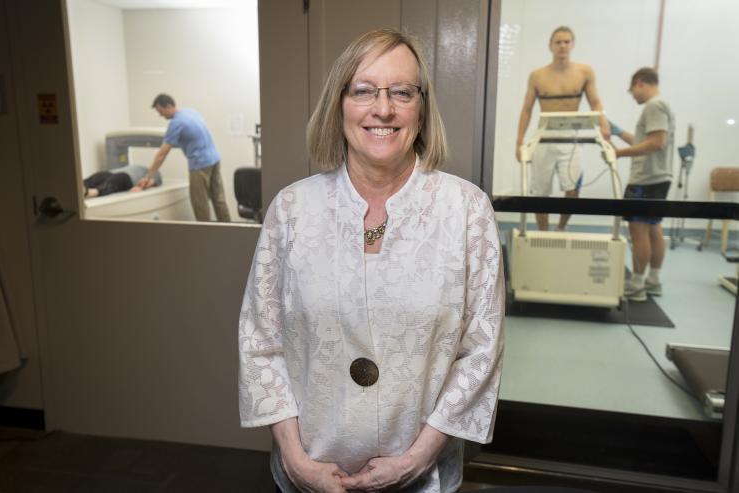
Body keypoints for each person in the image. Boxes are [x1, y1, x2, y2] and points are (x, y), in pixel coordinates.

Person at [238, 29, 505, 493]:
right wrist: (296, 461)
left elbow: (481, 351)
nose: (383, 109)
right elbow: (261, 344)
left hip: (422, 476)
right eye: (363, 90)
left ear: (421, 109)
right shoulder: (291, 210)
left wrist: (417, 459)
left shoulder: (466, 210)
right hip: (309, 471)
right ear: (338, 104)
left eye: (402, 92)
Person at [516, 26, 610, 231]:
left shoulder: (584, 72)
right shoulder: (537, 75)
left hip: (571, 135)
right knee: (541, 191)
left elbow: (595, 102)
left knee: (573, 189)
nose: (563, 46)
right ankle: (543, 233)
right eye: (558, 42)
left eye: (567, 42)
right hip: (545, 136)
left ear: (573, 45)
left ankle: (560, 228)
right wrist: (519, 142)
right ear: (550, 46)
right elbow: (526, 109)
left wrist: (604, 125)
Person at [610, 67, 675, 302]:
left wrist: (619, 153)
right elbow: (644, 140)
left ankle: (637, 285)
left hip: (645, 180)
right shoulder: (661, 106)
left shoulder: (654, 106)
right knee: (653, 229)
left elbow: (656, 143)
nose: (634, 97)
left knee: (638, 232)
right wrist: (617, 131)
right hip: (659, 178)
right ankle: (653, 280)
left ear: (640, 83)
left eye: (632, 92)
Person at [137, 94, 230, 222]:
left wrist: (148, 176)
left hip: (200, 164)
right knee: (218, 199)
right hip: (214, 159)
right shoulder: (191, 112)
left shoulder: (176, 123)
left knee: (200, 203)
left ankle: (204, 237)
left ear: (168, 106)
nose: (161, 115)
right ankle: (229, 230)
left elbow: (161, 155)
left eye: (161, 111)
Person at [83, 164, 161, 198]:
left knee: (114, 181)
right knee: (99, 176)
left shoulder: (155, 174)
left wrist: (142, 187)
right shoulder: (141, 168)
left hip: (127, 178)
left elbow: (156, 180)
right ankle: (80, 187)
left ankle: (88, 192)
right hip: (111, 172)